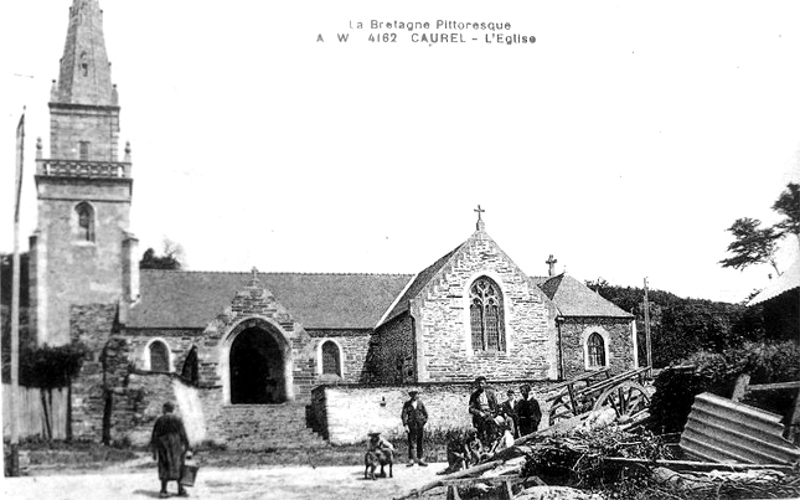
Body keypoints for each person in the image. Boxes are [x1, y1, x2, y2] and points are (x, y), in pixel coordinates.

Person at [150, 401, 191, 498]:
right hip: (176, 445)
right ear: (173, 409)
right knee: (179, 465)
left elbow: (154, 435)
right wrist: (187, 446)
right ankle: (180, 489)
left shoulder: (160, 420)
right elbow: (183, 434)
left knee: (164, 466)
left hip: (163, 445)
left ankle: (163, 490)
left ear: (165, 408)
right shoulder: (177, 419)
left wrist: (154, 450)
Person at [401, 390, 429, 466]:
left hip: (419, 426)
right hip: (411, 426)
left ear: (417, 395)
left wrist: (423, 422)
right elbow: (403, 415)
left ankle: (420, 459)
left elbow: (426, 414)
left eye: (415, 394)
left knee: (420, 442)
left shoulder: (420, 403)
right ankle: (411, 460)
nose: (414, 396)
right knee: (411, 443)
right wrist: (406, 425)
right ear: (410, 396)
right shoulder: (407, 404)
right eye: (412, 395)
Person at [468, 375, 499, 445]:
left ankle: (492, 442)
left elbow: (496, 406)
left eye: (482, 383)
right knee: (481, 427)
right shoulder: (474, 395)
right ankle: (482, 443)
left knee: (492, 424)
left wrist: (492, 414)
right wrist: (479, 413)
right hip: (480, 415)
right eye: (478, 383)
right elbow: (471, 409)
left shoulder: (490, 393)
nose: (480, 385)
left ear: (485, 384)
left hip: (490, 413)